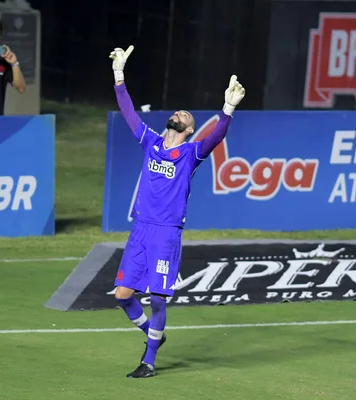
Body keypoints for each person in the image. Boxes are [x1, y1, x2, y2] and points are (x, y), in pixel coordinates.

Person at [109, 45, 246, 378]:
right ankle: (153, 334)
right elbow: (128, 112)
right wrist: (118, 76)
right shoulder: (151, 141)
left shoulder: (191, 153)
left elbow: (217, 135)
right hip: (141, 229)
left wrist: (227, 108)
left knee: (157, 297)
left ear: (187, 130)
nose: (181, 113)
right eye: (180, 112)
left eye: (187, 116)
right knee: (123, 295)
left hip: (166, 233)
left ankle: (149, 361)